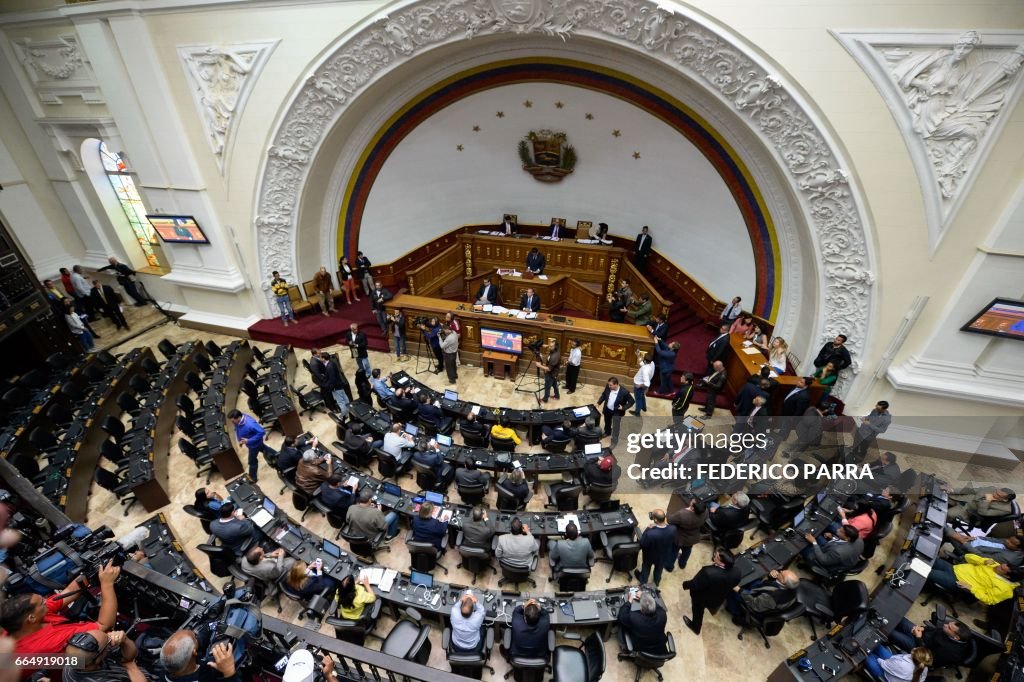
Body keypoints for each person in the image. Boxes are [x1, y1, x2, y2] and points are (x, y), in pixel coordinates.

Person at [2, 562, 120, 661]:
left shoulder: (24, 621)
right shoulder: (47, 645)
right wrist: (107, 583)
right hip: (84, 665)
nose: (46, 601)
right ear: (31, 618)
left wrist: (90, 572)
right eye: (42, 603)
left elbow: (69, 591)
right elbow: (104, 625)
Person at [683, 549, 740, 635]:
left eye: (716, 556)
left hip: (701, 598)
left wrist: (685, 585)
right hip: (719, 599)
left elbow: (694, 584)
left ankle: (696, 627)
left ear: (722, 563)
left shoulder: (708, 572)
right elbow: (734, 584)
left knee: (698, 611)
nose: (714, 555)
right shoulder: (737, 572)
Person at [927, 555, 1021, 605]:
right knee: (928, 558)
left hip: (957, 581)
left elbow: (989, 599)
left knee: (927, 572)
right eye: (1001, 564)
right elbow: (968, 557)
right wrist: (983, 561)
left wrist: (971, 588)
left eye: (1001, 569)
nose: (997, 566)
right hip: (954, 568)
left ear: (1007, 577)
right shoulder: (993, 564)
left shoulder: (1005, 589)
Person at [63, 628, 147, 682]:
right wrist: (131, 667)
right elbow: (129, 660)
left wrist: (125, 640)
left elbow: (131, 655)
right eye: (108, 642)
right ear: (98, 659)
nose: (111, 637)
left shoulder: (75, 659)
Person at [887, 617, 971, 669]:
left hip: (920, 648)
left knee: (890, 632)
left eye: (949, 627)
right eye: (948, 624)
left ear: (956, 638)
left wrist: (918, 638)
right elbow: (936, 630)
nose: (945, 625)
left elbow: (926, 657)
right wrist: (924, 629)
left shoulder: (948, 651)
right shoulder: (950, 633)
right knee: (901, 619)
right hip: (922, 636)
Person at [160, 630, 238, 682]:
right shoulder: (205, 678)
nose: (197, 637)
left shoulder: (166, 671)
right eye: (195, 637)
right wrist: (229, 672)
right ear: (194, 652)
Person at [729, 569, 800, 619]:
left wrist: (739, 590)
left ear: (783, 581)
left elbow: (754, 604)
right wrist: (771, 577)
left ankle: (733, 610)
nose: (780, 571)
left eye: (781, 573)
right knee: (755, 577)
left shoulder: (772, 597)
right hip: (762, 593)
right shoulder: (794, 586)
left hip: (755, 603)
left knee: (732, 589)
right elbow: (771, 586)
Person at [228, 409, 275, 481]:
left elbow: (262, 432)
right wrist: (240, 440)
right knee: (264, 449)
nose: (232, 422)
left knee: (252, 461)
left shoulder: (250, 424)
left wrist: (248, 440)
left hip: (254, 444)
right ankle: (278, 455)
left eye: (233, 421)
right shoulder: (238, 422)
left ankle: (253, 478)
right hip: (252, 443)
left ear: (238, 418)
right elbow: (238, 429)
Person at [635, 509, 675, 586]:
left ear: (655, 520)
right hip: (663, 555)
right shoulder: (673, 529)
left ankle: (643, 580)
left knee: (646, 567)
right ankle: (656, 581)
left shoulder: (650, 533)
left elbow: (643, 544)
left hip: (650, 556)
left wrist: (648, 528)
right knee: (659, 568)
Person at [669, 498, 707, 570]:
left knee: (674, 551)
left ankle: (669, 567)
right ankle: (682, 564)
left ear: (693, 507)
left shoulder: (682, 514)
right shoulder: (705, 511)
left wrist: (686, 510)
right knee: (687, 551)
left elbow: (670, 521)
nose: (692, 499)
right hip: (693, 537)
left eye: (693, 501)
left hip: (680, 538)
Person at [948, 487, 1018, 525]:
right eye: (996, 492)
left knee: (947, 514)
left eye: (998, 495)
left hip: (969, 513)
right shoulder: (992, 489)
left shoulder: (1005, 510)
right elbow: (972, 490)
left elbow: (983, 512)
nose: (994, 494)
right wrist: (952, 490)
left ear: (1004, 500)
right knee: (942, 496)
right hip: (963, 499)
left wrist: (987, 501)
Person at [596, 377, 634, 444]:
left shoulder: (624, 392)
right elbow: (604, 395)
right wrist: (599, 402)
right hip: (607, 409)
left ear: (616, 384)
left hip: (617, 412)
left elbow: (632, 401)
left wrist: (624, 407)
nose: (609, 386)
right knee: (607, 422)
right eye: (608, 385)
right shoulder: (608, 387)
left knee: (616, 425)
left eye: (611, 385)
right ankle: (607, 432)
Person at [864, 646, 932, 682]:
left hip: (885, 674)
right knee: (877, 646)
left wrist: (876, 657)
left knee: (866, 656)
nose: (914, 648)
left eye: (915, 650)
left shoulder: (903, 665)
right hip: (894, 663)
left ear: (915, 658)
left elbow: (883, 663)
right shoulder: (923, 666)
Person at [324, 352, 353, 418]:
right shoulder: (332, 362)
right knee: (345, 398)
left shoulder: (329, 367)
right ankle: (350, 410)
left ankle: (344, 415)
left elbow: (332, 379)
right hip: (340, 384)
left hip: (335, 387)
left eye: (321, 357)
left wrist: (328, 386)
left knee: (340, 402)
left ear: (323, 358)